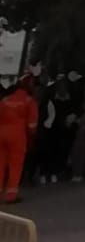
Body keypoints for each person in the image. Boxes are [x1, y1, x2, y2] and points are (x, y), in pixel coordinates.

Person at [0, 74, 41, 203]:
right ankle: (11, 195)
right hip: (18, 135)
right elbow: (32, 125)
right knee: (15, 164)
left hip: (1, 133)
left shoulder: (5, 100)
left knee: (0, 163)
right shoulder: (30, 101)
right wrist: (31, 138)